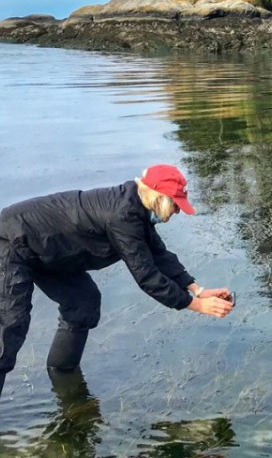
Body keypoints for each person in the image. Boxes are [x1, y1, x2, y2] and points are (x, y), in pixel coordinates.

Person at [0, 164, 235, 398]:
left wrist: (197, 290)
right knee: (10, 327)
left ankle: (64, 379)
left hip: (48, 251)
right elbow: (147, 277)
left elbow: (159, 255)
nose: (177, 212)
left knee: (84, 303)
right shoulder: (122, 216)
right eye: (175, 205)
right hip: (11, 242)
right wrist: (195, 305)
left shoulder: (137, 209)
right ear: (158, 198)